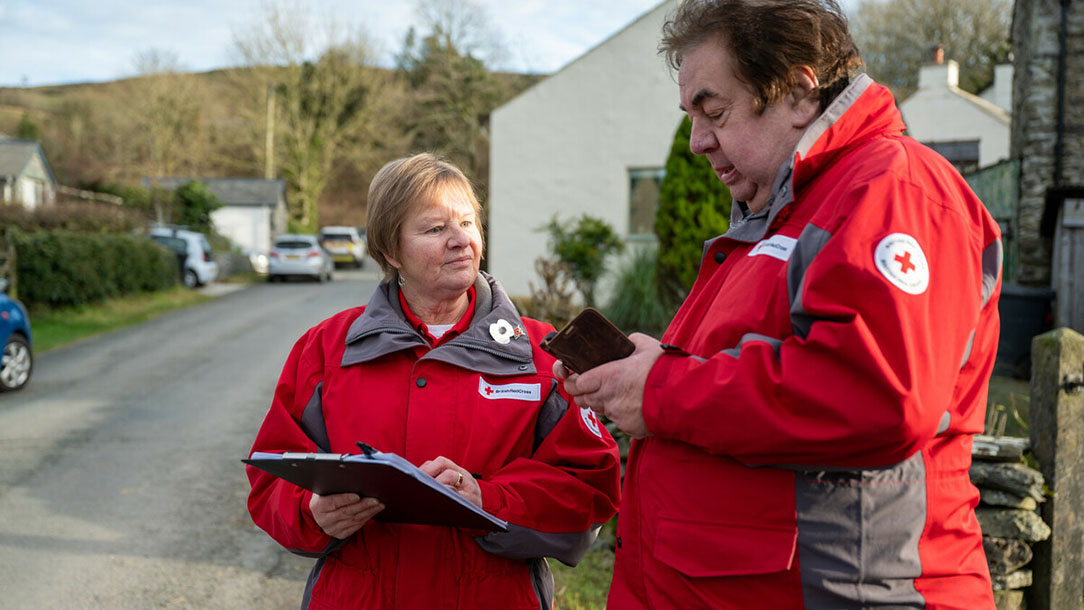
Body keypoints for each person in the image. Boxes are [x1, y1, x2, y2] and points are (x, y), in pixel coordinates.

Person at [557, 1, 1003, 608]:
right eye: (691, 115)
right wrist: (647, 368)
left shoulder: (893, 188)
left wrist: (659, 389)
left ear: (798, 92)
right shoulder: (779, 217)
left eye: (713, 110)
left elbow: (879, 391)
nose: (696, 141)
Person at [247, 153, 621, 610]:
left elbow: (590, 493)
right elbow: (270, 481)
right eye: (435, 229)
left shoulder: (541, 355)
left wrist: (488, 498)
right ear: (390, 251)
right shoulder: (325, 350)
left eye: (467, 223)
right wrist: (311, 511)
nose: (461, 240)